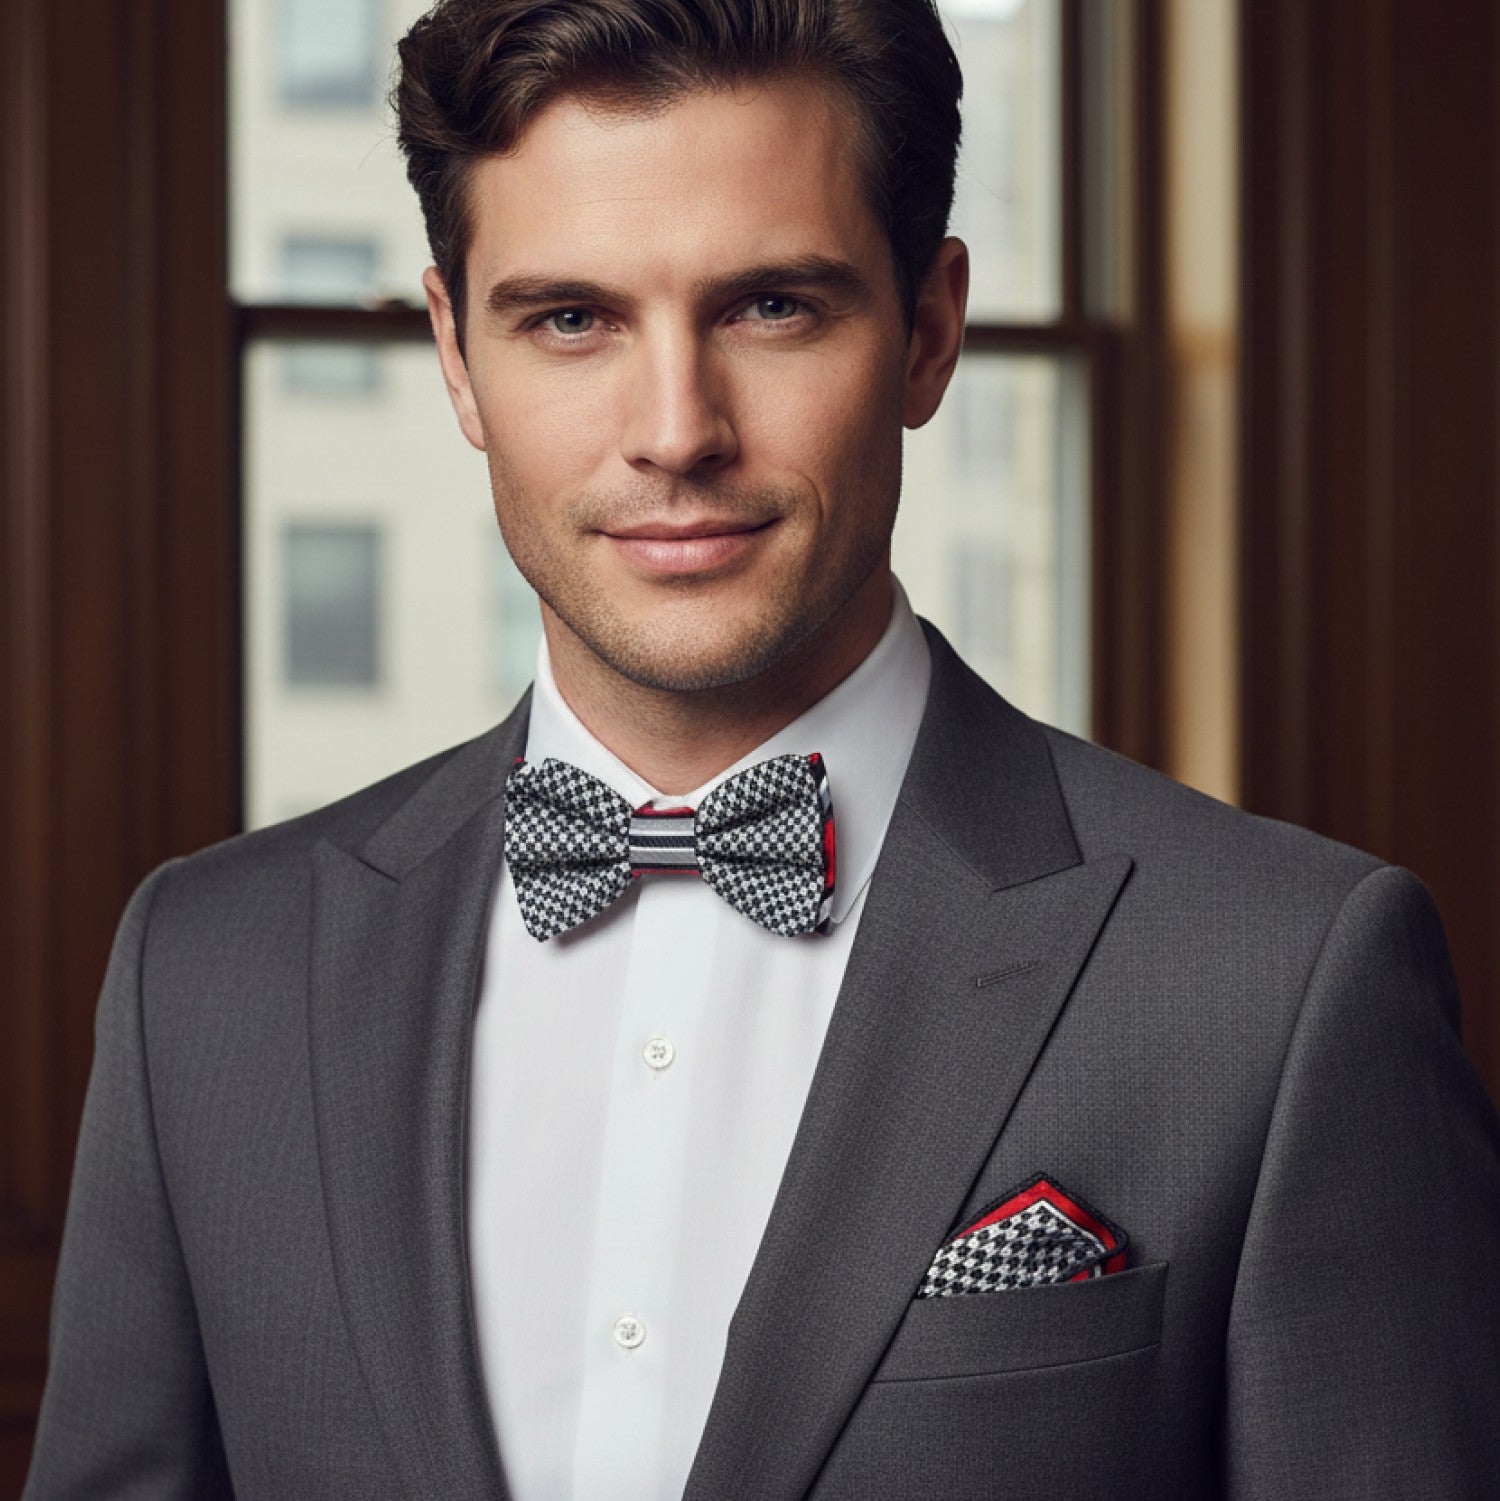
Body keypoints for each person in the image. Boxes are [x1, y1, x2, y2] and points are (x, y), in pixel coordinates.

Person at [25, 0, 1500, 1496]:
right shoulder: (203, 979)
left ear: (928, 332)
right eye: (571, 319)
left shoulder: (1284, 982)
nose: (676, 430)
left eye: (772, 308)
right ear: (456, 359)